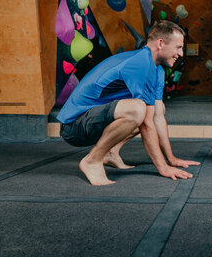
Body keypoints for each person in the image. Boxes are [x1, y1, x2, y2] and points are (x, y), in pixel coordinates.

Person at [57, 21, 200, 185]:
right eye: (178, 47)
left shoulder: (157, 70)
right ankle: (92, 160)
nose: (181, 53)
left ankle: (111, 152)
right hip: (74, 126)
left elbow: (158, 116)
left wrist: (171, 159)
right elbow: (146, 123)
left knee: (153, 109)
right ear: (161, 43)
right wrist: (163, 168)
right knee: (138, 109)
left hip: (93, 119)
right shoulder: (140, 63)